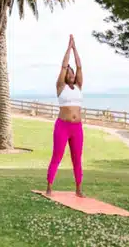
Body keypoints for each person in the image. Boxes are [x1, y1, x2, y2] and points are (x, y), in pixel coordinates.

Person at [46, 34, 84, 197]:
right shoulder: (60, 86)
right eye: (68, 73)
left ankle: (78, 188)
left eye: (72, 72)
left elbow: (80, 67)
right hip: (63, 125)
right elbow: (62, 67)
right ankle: (49, 186)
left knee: (77, 158)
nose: (71, 74)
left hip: (77, 128)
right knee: (57, 155)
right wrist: (68, 48)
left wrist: (75, 49)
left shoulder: (79, 86)